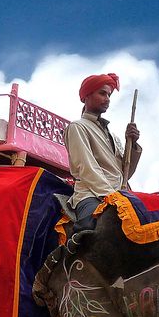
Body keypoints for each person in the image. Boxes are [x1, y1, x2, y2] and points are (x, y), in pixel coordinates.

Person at [64, 73, 142, 232]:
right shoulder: (78, 127)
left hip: (121, 196)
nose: (107, 98)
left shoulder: (112, 136)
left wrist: (132, 145)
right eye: (102, 93)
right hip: (91, 195)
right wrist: (112, 197)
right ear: (86, 96)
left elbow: (125, 174)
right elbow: (87, 168)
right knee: (91, 231)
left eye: (109, 95)